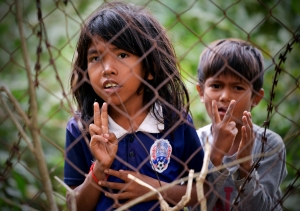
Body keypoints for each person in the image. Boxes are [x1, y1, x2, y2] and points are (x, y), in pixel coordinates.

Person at [63, 2, 204, 211]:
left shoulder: (176, 123)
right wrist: (99, 169)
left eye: (122, 55)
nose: (107, 69)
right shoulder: (81, 128)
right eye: (95, 58)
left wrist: (156, 189)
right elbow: (75, 205)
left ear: (150, 68)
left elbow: (203, 191)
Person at [195, 38, 287, 211]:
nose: (224, 96)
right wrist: (216, 153)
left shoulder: (270, 144)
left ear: (256, 98)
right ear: (201, 92)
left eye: (237, 88)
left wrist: (246, 168)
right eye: (216, 85)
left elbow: (262, 208)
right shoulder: (196, 141)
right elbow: (196, 206)